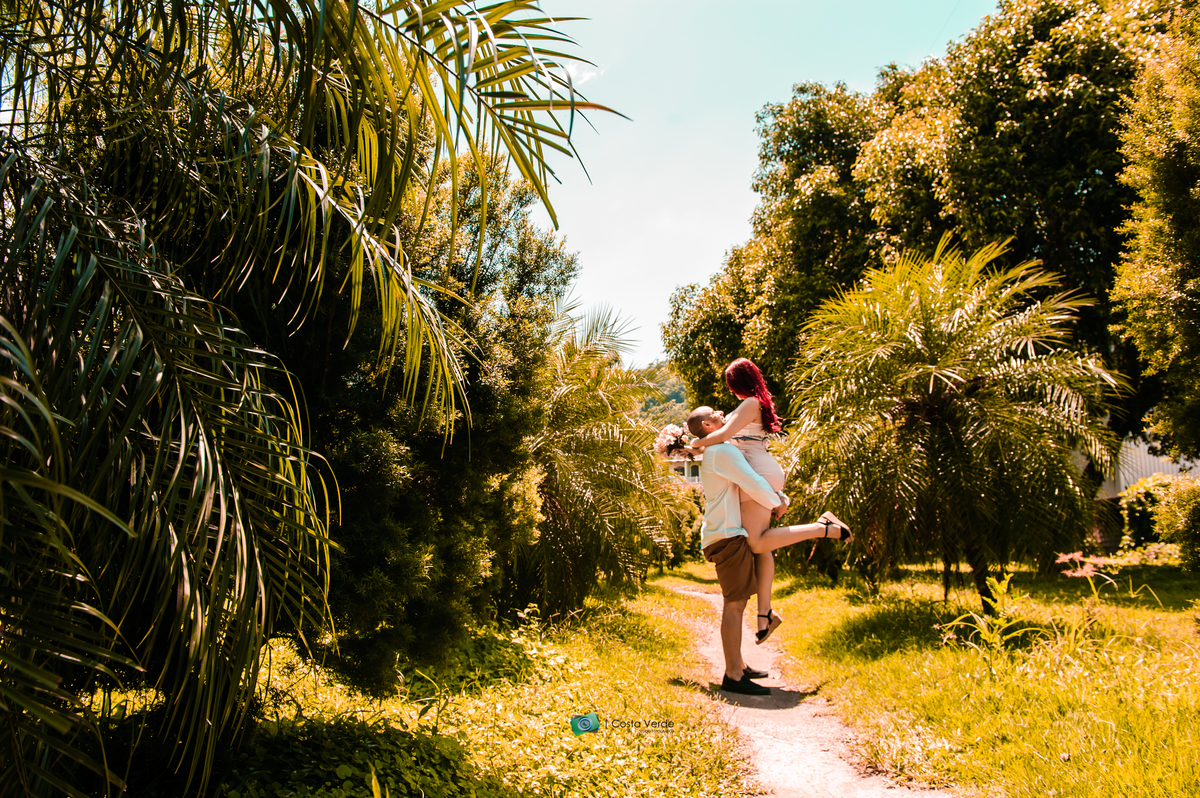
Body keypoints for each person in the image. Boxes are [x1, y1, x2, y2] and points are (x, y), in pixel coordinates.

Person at [689, 405, 851, 696]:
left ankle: (739, 665)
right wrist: (778, 502)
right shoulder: (721, 452)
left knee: (737, 601)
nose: (721, 411)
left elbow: (747, 482)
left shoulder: (718, 450)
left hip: (726, 533)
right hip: (726, 535)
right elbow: (751, 483)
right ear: (707, 426)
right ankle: (733, 676)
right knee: (734, 604)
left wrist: (778, 498)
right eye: (713, 413)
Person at [688, 358, 815, 644]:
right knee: (760, 545)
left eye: (730, 384)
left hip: (758, 472)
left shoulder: (751, 402)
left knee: (757, 542)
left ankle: (822, 528)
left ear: (739, 382)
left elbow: (723, 435)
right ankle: (764, 616)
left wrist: (696, 443)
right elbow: (723, 438)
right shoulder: (747, 405)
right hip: (756, 472)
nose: (729, 390)